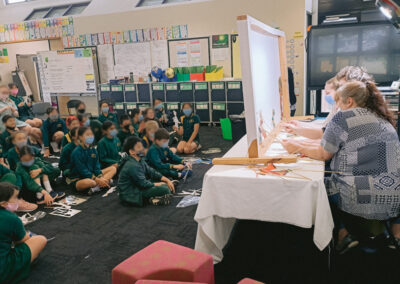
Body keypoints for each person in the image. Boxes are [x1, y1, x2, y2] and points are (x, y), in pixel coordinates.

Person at [281, 81, 400, 253]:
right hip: (394, 197)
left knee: (320, 187)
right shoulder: (383, 120)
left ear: (349, 101)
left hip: (361, 198)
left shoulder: (344, 117)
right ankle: (393, 237)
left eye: (338, 102)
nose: (336, 106)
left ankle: (342, 235)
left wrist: (296, 147)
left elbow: (323, 154)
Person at [283, 66, 373, 140]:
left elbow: (325, 137)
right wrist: (299, 127)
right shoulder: (349, 111)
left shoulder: (356, 117)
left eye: (342, 88)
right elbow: (326, 129)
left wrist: (298, 136)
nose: (339, 92)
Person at [0, 182, 47, 284]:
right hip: (3, 271)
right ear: (3, 204)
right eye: (16, 197)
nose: (18, 200)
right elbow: (23, 240)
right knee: (40, 239)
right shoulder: (10, 218)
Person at [117, 136, 175, 207]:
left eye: (142, 146)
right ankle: (154, 197)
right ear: (132, 151)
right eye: (139, 147)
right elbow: (143, 183)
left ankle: (160, 193)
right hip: (132, 194)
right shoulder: (132, 165)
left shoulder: (139, 160)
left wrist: (166, 180)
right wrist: (160, 184)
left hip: (137, 187)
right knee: (165, 189)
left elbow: (152, 172)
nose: (142, 149)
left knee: (167, 181)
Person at [70, 127, 116, 195]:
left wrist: (100, 177)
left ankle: (99, 185)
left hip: (93, 175)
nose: (90, 136)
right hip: (80, 179)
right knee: (91, 182)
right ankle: (104, 183)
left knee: (113, 168)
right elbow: (82, 171)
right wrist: (96, 179)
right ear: (80, 137)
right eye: (87, 134)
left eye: (91, 134)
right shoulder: (76, 152)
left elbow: (97, 166)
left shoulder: (93, 149)